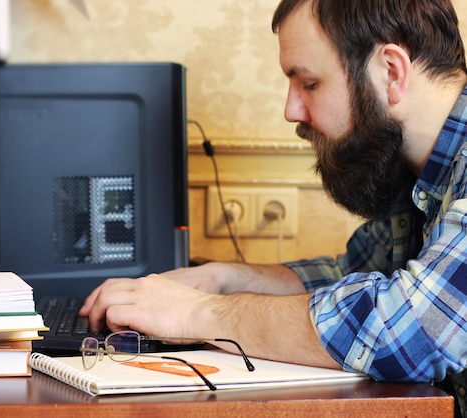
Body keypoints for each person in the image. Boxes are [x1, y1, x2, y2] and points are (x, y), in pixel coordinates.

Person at [80, 0, 467, 413]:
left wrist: (201, 313)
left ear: (391, 72)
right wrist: (226, 279)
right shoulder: (417, 178)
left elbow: (412, 327)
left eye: (309, 83)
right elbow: (352, 273)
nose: (291, 111)